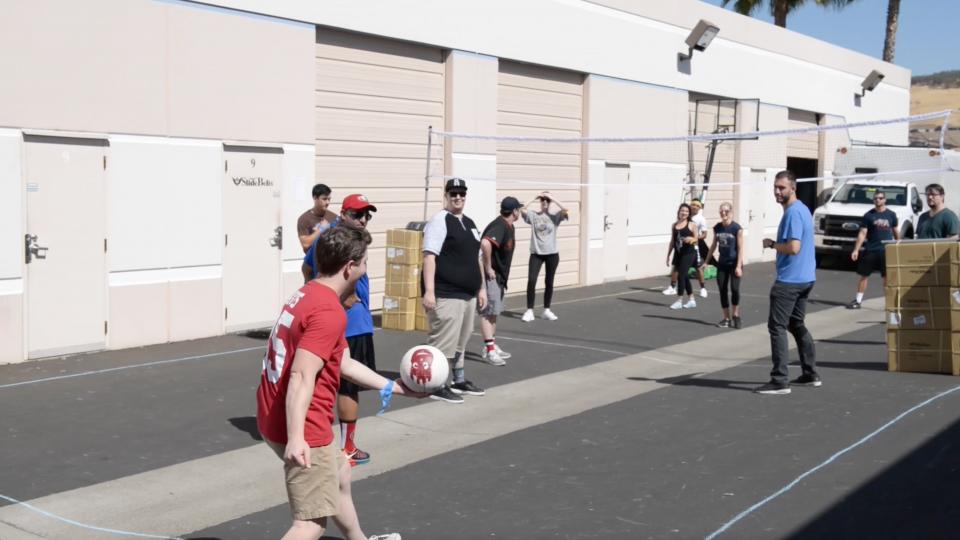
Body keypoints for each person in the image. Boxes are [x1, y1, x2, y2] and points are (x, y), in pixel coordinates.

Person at [256, 225, 415, 540]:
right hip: (306, 427)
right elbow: (302, 374)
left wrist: (393, 386)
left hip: (275, 416)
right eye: (365, 261)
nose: (367, 268)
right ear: (350, 267)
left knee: (340, 474)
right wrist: (297, 437)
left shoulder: (309, 293)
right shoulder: (330, 311)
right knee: (311, 523)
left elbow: (341, 362)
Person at [303, 194, 378, 466]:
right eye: (358, 214)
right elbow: (315, 270)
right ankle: (346, 448)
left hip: (338, 321)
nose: (363, 220)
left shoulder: (329, 239)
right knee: (347, 387)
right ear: (344, 214)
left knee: (321, 383)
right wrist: (345, 299)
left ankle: (318, 442)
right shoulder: (344, 242)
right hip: (351, 325)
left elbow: (308, 267)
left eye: (367, 215)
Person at [422, 178, 488, 404]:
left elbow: (477, 257)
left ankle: (458, 380)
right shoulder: (440, 221)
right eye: (453, 193)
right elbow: (430, 256)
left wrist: (482, 289)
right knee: (443, 342)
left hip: (468, 293)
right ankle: (435, 384)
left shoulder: (469, 222)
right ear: (446, 195)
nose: (457, 197)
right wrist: (429, 291)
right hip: (447, 293)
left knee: (461, 341)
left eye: (461, 193)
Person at [756, 170, 820, 395]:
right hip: (805, 278)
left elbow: (794, 247)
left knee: (777, 327)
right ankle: (810, 373)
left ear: (793, 188)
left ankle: (779, 380)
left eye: (781, 187)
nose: (777, 191)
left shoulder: (794, 213)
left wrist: (772, 244)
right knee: (796, 324)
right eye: (775, 187)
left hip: (790, 281)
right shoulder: (803, 209)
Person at [478, 197, 522, 366]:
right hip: (490, 277)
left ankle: (491, 345)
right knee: (488, 312)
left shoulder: (509, 226)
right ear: (514, 211)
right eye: (518, 209)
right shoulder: (500, 225)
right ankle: (489, 350)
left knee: (494, 311)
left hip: (500, 278)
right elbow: (485, 244)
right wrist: (488, 268)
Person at [520, 192, 569, 322]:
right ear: (540, 202)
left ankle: (546, 310)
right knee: (531, 280)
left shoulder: (555, 217)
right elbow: (521, 209)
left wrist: (552, 197)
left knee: (549, 282)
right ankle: (529, 310)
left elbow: (566, 210)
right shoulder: (533, 216)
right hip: (536, 254)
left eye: (547, 200)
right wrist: (535, 196)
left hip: (552, 254)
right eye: (543, 200)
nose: (545, 202)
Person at [847, 190, 900, 309]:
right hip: (871, 249)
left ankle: (889, 303)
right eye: (876, 198)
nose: (878, 200)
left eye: (880, 198)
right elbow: (862, 233)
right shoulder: (868, 215)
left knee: (886, 277)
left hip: (885, 250)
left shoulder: (891, 215)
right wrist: (856, 250)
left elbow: (895, 231)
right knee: (864, 275)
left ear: (885, 200)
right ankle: (858, 300)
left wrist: (898, 245)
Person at [701, 202, 744, 328]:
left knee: (735, 289)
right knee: (722, 290)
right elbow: (714, 245)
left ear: (731, 212)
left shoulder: (737, 228)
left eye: (726, 211)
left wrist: (738, 266)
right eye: (721, 211)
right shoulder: (717, 228)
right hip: (722, 264)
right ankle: (726, 318)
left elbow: (741, 248)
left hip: (734, 263)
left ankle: (735, 315)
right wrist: (706, 262)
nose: (723, 213)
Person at [665, 203, 699, 310]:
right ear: (679, 212)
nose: (684, 213)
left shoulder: (692, 224)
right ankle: (692, 300)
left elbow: (697, 239)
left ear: (689, 213)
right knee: (685, 276)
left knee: (681, 276)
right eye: (682, 211)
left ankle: (679, 300)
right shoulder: (674, 225)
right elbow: (672, 241)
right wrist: (668, 255)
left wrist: (691, 239)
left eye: (686, 211)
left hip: (689, 253)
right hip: (679, 254)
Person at [297, 183, 336, 253]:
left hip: (332, 261)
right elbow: (305, 244)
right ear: (315, 198)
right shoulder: (304, 219)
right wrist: (320, 229)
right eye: (324, 199)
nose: (327, 202)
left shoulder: (334, 217)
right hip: (313, 262)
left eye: (329, 199)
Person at [689, 199, 710, 298]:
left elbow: (705, 234)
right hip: (683, 246)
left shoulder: (701, 219)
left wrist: (695, 238)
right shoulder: (686, 216)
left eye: (697, 206)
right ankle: (673, 286)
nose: (694, 207)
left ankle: (703, 289)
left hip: (694, 246)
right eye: (693, 205)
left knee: (698, 267)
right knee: (678, 266)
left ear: (699, 208)